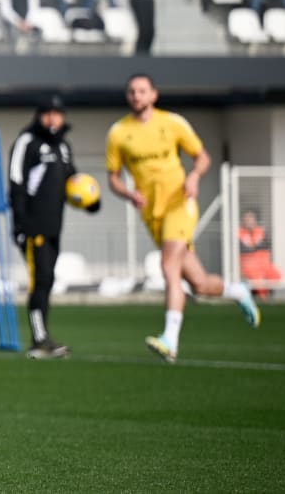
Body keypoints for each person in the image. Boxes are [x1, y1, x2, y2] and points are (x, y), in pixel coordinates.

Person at [105, 74, 260, 363]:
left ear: (154, 94)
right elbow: (113, 178)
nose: (137, 96)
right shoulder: (118, 133)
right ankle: (238, 291)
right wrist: (129, 194)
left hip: (180, 203)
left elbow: (203, 157)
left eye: (142, 91)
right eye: (132, 92)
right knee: (199, 284)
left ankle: (170, 340)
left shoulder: (173, 123)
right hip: (152, 214)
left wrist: (194, 176)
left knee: (168, 266)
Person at [9, 95, 99, 358]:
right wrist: (20, 225)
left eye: (57, 113)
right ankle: (39, 340)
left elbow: (73, 182)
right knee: (41, 280)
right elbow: (16, 184)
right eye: (47, 113)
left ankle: (43, 337)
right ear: (38, 115)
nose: (52, 118)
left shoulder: (63, 146)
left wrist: (91, 202)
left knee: (47, 281)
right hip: (32, 227)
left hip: (53, 227)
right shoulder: (27, 142)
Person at [237, 209, 280, 299]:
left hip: (265, 266)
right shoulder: (239, 233)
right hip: (249, 267)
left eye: (251, 218)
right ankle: (262, 299)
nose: (249, 221)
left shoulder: (261, 231)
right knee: (257, 280)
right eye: (247, 219)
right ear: (243, 220)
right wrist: (256, 246)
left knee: (276, 275)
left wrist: (253, 247)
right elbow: (243, 248)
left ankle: (267, 297)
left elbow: (266, 244)